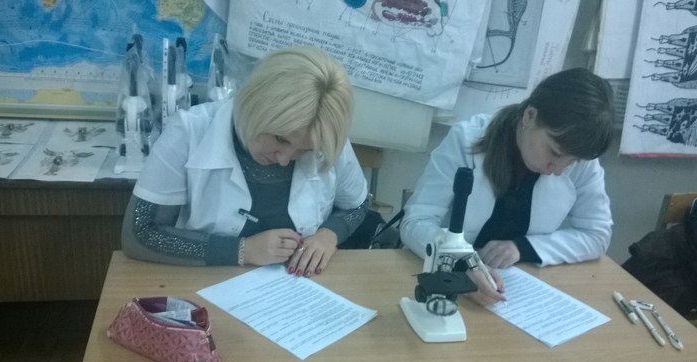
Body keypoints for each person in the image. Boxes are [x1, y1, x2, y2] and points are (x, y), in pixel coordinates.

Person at [122, 46, 369, 277]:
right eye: (280, 138)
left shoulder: (324, 136)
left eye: (305, 151)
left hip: (298, 291)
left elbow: (357, 204)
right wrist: (242, 250)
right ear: (254, 106)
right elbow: (139, 234)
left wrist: (329, 235)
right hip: (204, 283)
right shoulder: (188, 132)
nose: (284, 160)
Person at [400, 67, 615, 305]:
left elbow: (597, 235)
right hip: (444, 287)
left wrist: (523, 247)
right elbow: (415, 222)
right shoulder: (465, 139)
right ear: (530, 116)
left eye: (572, 161)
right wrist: (460, 262)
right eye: (555, 152)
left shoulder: (582, 160)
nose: (558, 169)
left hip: (519, 292)